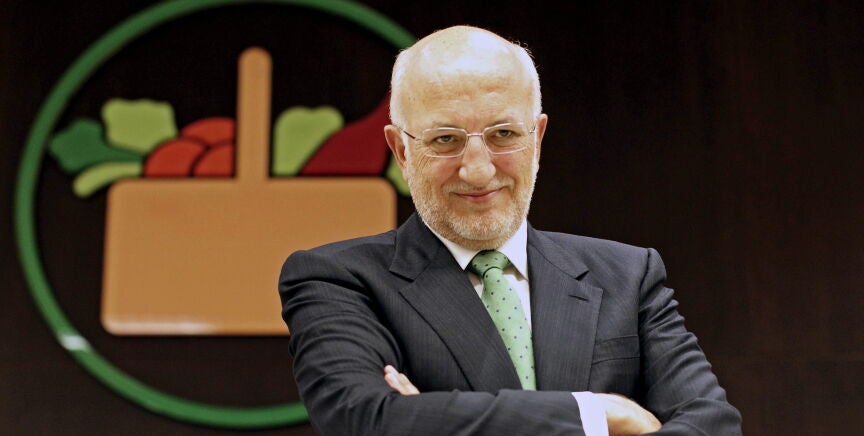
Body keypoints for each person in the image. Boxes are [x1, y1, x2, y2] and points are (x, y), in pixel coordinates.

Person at [279, 25, 742, 435]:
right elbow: (368, 420)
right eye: (445, 140)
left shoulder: (628, 275)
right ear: (401, 150)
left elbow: (712, 426)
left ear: (536, 139)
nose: (478, 170)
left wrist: (435, 419)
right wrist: (601, 415)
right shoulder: (338, 280)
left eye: (503, 134)